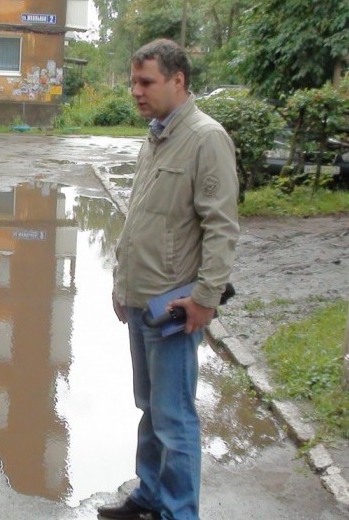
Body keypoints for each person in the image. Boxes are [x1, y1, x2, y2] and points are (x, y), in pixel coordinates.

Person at [102, 39, 239, 520]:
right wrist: (122, 286)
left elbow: (221, 227)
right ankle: (150, 495)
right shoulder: (156, 135)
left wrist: (205, 299)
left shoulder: (206, 138)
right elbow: (142, 216)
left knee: (175, 418)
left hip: (174, 309)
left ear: (177, 81)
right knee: (151, 409)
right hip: (141, 301)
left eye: (146, 82)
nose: (136, 92)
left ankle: (179, 512)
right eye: (133, 82)